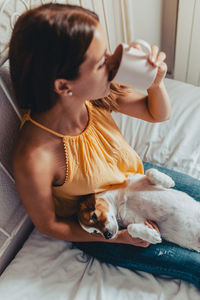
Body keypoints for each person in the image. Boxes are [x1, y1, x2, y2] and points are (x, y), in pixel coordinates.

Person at [9, 3, 200, 288]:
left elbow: (157, 113)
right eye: (102, 63)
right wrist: (120, 236)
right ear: (63, 86)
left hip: (135, 181)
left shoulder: (96, 96)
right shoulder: (35, 156)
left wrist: (156, 83)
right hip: (103, 225)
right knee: (194, 265)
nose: (114, 64)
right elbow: (48, 224)